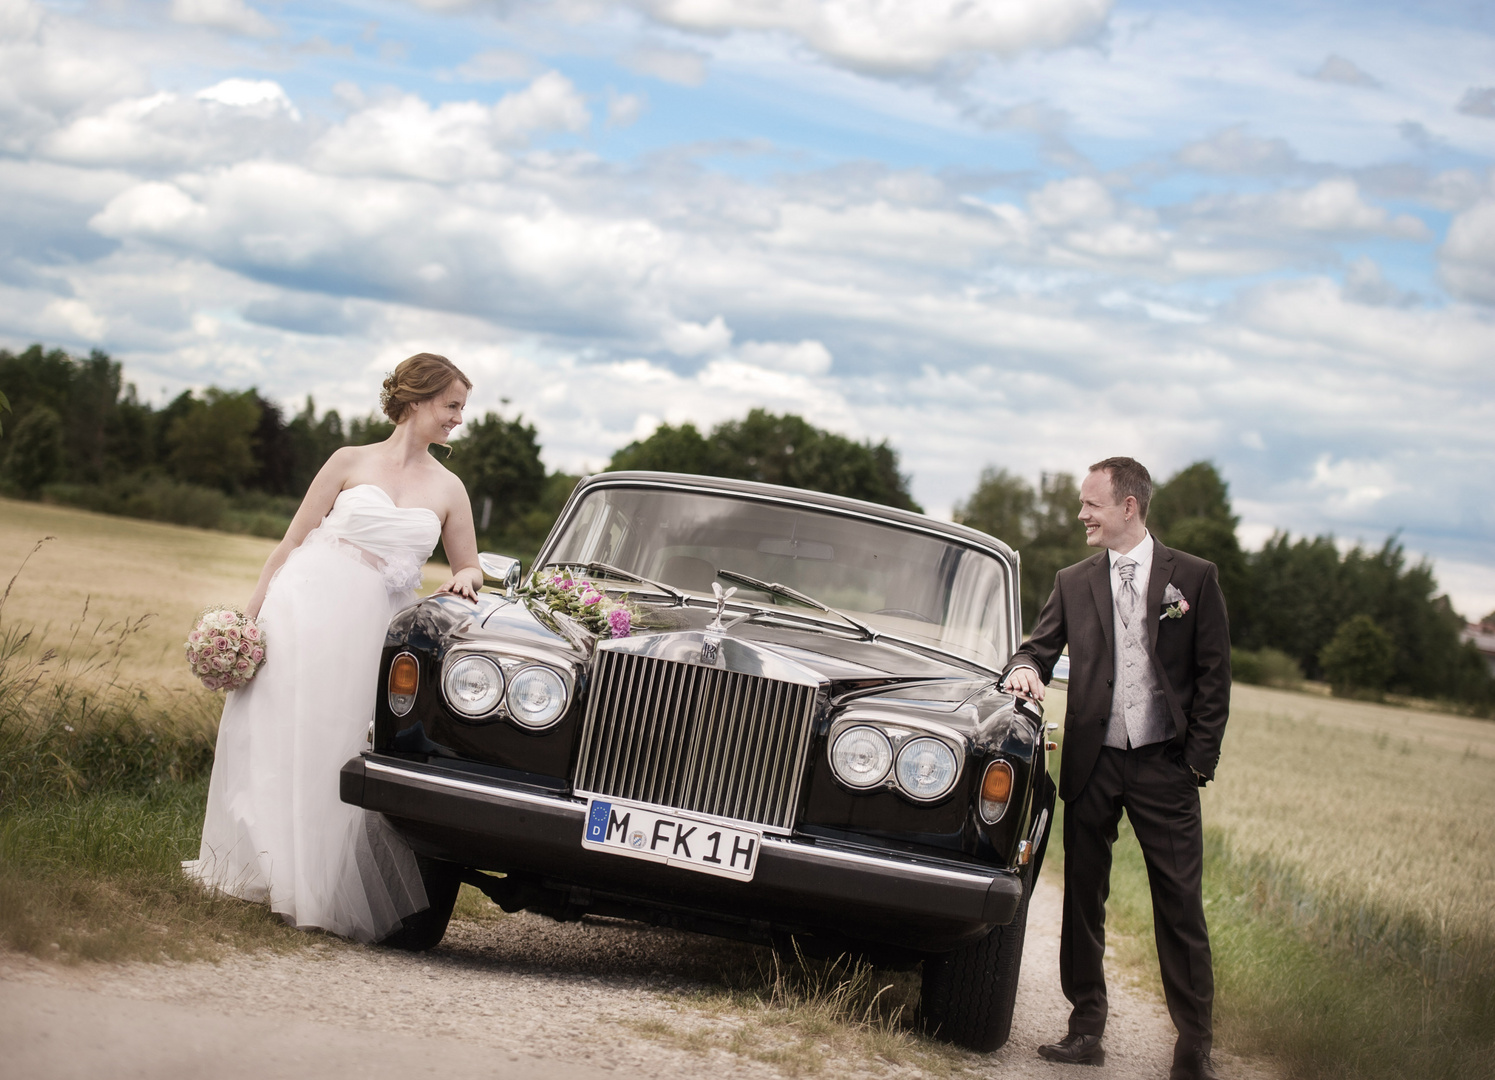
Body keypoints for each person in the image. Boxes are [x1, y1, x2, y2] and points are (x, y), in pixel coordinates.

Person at [183, 353, 483, 942]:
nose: (457, 420)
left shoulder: (450, 488)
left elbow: (468, 564)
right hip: (304, 608)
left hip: (373, 628)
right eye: (452, 406)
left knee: (340, 743)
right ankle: (266, 871)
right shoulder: (348, 461)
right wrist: (245, 623)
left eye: (461, 409)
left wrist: (467, 578)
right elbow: (291, 542)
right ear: (418, 400)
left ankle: (315, 885)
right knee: (281, 734)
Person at [1002, 457, 1230, 1080]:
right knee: (1083, 896)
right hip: (1094, 760)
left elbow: (1214, 678)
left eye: (1091, 505)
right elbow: (1038, 646)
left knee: (1180, 905)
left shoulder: (1196, 578)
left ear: (1129, 506)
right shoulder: (1074, 581)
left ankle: (1194, 1048)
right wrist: (1025, 667)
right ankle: (1085, 1028)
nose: (1082, 515)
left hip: (1166, 767)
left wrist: (1194, 766)